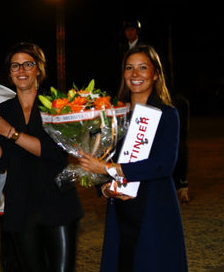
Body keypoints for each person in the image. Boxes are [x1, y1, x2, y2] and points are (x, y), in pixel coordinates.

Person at [0, 43, 84, 272]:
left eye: (28, 64)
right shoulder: (3, 110)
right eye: (15, 66)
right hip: (21, 207)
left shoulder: (58, 106)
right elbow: (0, 163)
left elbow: (54, 154)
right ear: (9, 73)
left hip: (58, 203)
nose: (21, 70)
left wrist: (9, 132)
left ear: (38, 69)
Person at [79, 44, 188, 271]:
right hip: (120, 211)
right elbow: (100, 162)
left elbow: (163, 165)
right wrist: (106, 188)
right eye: (129, 68)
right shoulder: (113, 115)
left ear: (155, 73)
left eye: (142, 68)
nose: (135, 74)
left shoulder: (167, 114)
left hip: (154, 209)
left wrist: (109, 169)